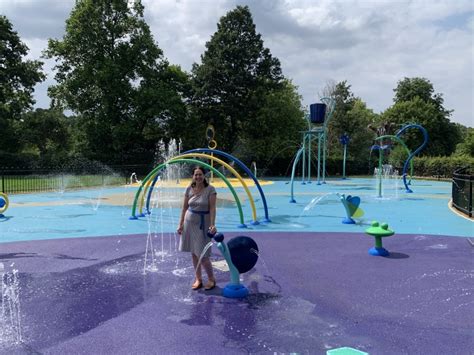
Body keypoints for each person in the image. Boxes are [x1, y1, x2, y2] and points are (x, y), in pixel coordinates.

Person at [177, 166, 217, 290]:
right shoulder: (189, 188)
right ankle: (198, 279)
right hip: (189, 223)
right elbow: (184, 208)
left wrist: (212, 224)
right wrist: (181, 224)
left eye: (200, 174)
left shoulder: (210, 189)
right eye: (196, 175)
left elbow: (212, 208)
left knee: (203, 255)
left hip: (203, 224)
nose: (198, 177)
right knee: (194, 253)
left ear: (204, 176)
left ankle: (211, 279)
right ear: (193, 176)